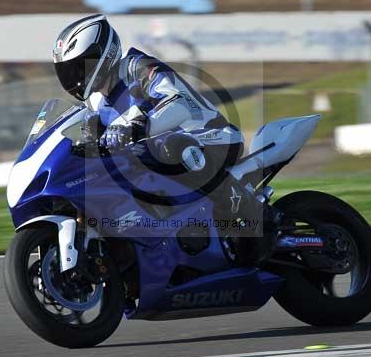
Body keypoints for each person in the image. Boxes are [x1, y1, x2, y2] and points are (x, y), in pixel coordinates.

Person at [51, 14, 273, 264]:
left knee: (172, 147)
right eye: (69, 71)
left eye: (80, 67)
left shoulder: (138, 68)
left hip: (209, 136)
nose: (75, 78)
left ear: (104, 55)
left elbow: (179, 104)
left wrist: (139, 125)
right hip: (154, 154)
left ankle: (255, 216)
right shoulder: (95, 103)